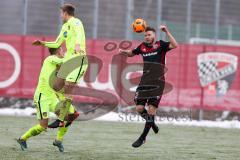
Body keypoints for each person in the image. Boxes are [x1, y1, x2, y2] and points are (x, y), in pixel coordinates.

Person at [119, 25, 178, 148]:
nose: (147, 37)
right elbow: (132, 53)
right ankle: (151, 123)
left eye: (149, 35)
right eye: (145, 35)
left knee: (151, 110)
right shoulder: (142, 47)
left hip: (157, 83)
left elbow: (175, 45)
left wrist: (167, 31)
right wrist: (125, 52)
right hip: (144, 81)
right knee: (139, 108)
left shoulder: (161, 45)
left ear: (154, 36)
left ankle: (142, 137)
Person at [32, 3, 88, 127]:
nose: (60, 16)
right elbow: (57, 42)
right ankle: (69, 113)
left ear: (65, 13)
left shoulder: (76, 22)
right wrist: (42, 43)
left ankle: (62, 118)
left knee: (68, 85)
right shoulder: (65, 27)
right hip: (68, 60)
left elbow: (79, 32)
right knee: (57, 86)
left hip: (78, 59)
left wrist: (78, 44)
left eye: (61, 13)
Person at [17, 47, 79, 152]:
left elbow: (61, 84)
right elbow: (66, 61)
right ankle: (22, 139)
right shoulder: (50, 59)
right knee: (43, 127)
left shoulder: (59, 66)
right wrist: (76, 54)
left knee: (70, 114)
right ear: (58, 51)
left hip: (52, 97)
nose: (64, 52)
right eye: (63, 50)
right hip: (42, 97)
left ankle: (58, 140)